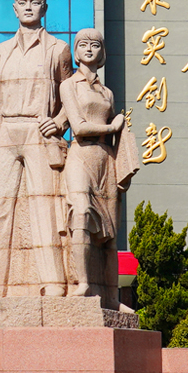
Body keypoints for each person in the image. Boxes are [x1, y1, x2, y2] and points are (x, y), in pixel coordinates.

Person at [0, 0, 73, 299]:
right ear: (14, 9)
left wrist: (59, 122)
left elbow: (72, 95)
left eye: (35, 1)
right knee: (0, 208)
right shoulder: (0, 52)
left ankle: (53, 282)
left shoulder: (58, 49)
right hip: (5, 132)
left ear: (44, 8)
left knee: (44, 205)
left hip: (38, 132)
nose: (28, 6)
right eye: (22, 1)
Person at [59, 28, 140, 310]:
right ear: (76, 51)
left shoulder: (107, 92)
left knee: (110, 235)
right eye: (83, 44)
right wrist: (112, 126)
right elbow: (79, 127)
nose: (89, 49)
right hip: (81, 156)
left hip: (107, 160)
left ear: (102, 52)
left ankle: (112, 298)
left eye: (95, 45)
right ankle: (82, 283)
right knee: (80, 214)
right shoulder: (69, 85)